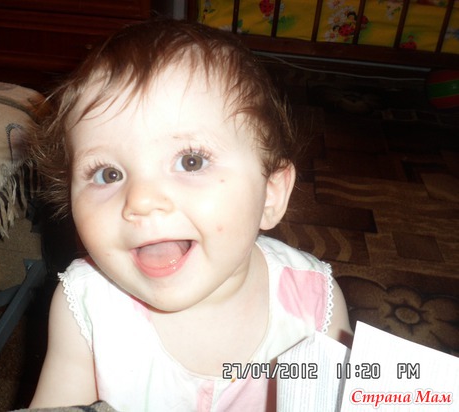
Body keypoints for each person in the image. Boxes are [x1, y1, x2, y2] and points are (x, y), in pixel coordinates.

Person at [29, 18, 352, 411]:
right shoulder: (86, 306)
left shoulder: (313, 304)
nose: (141, 200)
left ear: (270, 193)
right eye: (108, 174)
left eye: (191, 161)